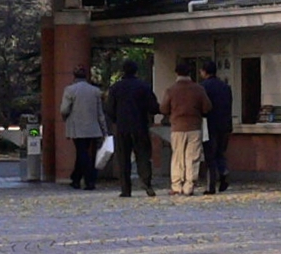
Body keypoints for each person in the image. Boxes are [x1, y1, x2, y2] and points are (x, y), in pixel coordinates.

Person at [106, 60, 159, 198]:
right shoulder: (143, 87)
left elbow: (109, 109)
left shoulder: (115, 88)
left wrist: (116, 120)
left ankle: (125, 189)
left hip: (122, 127)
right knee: (143, 156)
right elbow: (153, 107)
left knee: (123, 158)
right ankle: (147, 183)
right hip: (140, 125)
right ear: (136, 71)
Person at [161, 59, 210, 196]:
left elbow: (164, 109)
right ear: (190, 73)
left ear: (176, 73)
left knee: (177, 156)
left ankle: (176, 185)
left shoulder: (171, 90)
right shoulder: (199, 89)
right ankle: (189, 186)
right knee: (192, 157)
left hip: (177, 127)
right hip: (194, 127)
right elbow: (207, 107)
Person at [59, 64, 108, 189]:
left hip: (77, 127)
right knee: (84, 152)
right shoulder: (95, 91)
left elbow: (64, 109)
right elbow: (100, 113)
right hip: (93, 127)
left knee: (82, 153)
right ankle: (76, 178)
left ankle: (89, 180)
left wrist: (65, 117)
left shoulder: (70, 90)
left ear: (74, 76)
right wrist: (104, 130)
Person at [198, 56, 234, 193]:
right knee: (220, 152)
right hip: (225, 124)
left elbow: (203, 107)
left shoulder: (202, 87)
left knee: (210, 156)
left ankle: (211, 186)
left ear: (204, 72)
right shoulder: (225, 87)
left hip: (209, 125)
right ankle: (223, 171)